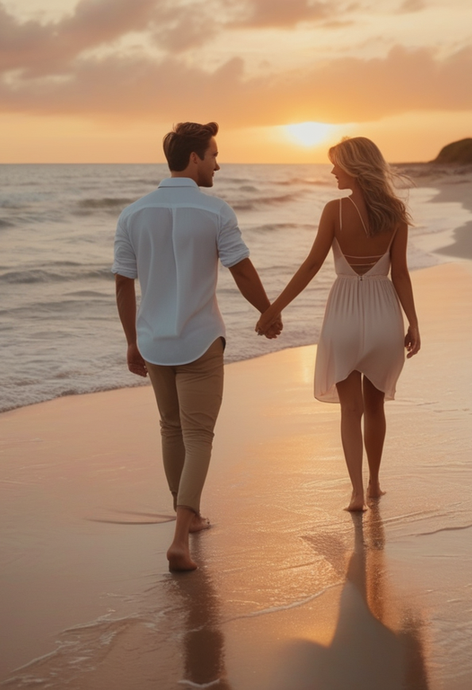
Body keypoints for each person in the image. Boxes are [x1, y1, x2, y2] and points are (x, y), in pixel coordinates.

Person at [113, 121, 281, 571]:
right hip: (200, 338)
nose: (217, 163)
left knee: (171, 429)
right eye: (213, 155)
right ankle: (180, 539)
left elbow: (123, 286)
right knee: (198, 435)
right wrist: (268, 312)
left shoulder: (132, 213)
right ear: (194, 159)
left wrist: (132, 341)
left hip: (153, 340)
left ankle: (188, 517)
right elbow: (241, 270)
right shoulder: (215, 212)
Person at [256, 137, 420, 512]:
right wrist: (414, 323)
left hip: (343, 314)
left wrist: (274, 308)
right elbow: (401, 275)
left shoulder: (334, 210)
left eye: (337, 165)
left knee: (350, 410)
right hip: (383, 315)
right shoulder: (395, 213)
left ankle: (357, 493)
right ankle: (376, 483)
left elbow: (312, 265)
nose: (332, 172)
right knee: (375, 407)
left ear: (355, 168)